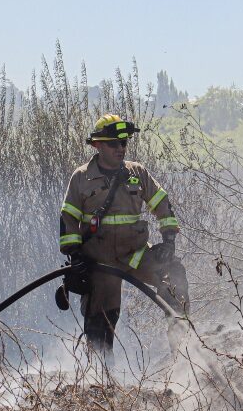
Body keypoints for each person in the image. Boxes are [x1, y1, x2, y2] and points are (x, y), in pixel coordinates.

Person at [58, 114, 188, 363]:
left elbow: (162, 203)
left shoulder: (136, 173)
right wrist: (75, 256)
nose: (121, 148)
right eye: (114, 143)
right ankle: (101, 377)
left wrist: (168, 242)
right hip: (100, 262)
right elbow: (68, 219)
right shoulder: (81, 177)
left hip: (135, 255)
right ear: (98, 145)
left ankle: (184, 354)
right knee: (101, 322)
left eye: (124, 143)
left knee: (173, 276)